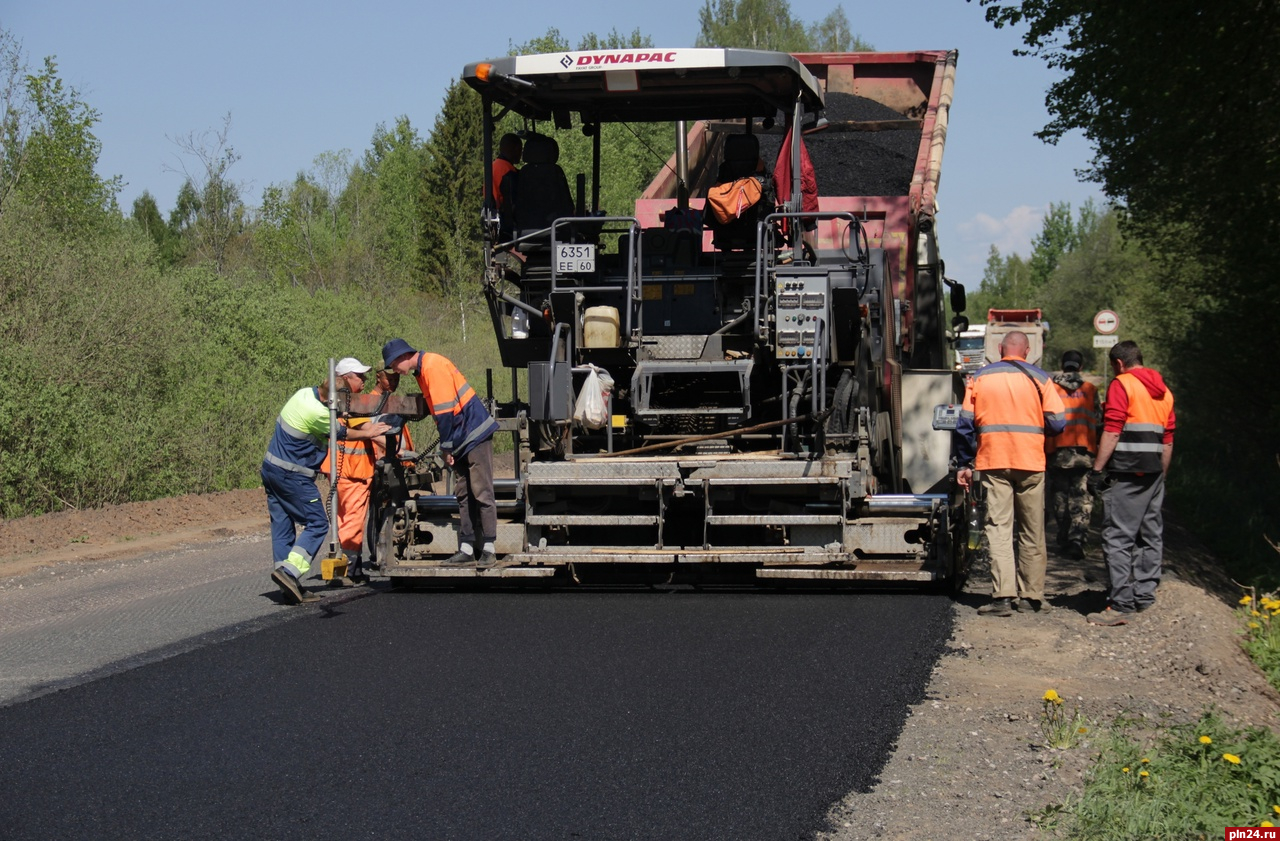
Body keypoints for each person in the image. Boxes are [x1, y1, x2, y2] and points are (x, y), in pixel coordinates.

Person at [955, 331, 1066, 617]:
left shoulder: (979, 378)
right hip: (1030, 462)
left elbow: (965, 425)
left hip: (993, 461)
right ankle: (1031, 597)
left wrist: (965, 464)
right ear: (1027, 351)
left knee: (1000, 529)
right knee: (1032, 530)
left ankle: (1003, 597)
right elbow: (1058, 423)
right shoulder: (1041, 378)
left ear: (1000, 349)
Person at [263, 358, 391, 605]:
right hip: (293, 475)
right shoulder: (318, 413)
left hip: (271, 470)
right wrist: (368, 432)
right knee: (318, 523)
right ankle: (290, 573)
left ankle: (286, 581)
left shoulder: (303, 395)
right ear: (337, 394)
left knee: (282, 525)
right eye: (358, 377)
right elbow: (340, 432)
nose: (363, 382)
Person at [383, 338, 500, 566]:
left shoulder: (432, 367)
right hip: (463, 436)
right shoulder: (424, 370)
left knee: (482, 492)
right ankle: (467, 548)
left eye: (393, 364)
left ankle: (489, 548)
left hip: (473, 433)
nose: (394, 370)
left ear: (402, 357)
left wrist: (446, 448)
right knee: (464, 494)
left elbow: (445, 412)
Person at [1086, 340, 1175, 626]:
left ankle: (1121, 604)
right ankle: (1145, 595)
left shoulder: (1122, 384)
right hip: (1153, 473)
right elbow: (1168, 439)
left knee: (1118, 537)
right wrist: (1162, 474)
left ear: (1119, 363)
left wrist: (1097, 470)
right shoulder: (1164, 391)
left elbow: (1112, 430)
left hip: (1127, 471)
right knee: (1150, 534)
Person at [319, 367, 413, 587]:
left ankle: (349, 566)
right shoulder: (356, 406)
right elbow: (374, 434)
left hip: (345, 471)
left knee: (345, 520)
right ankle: (347, 571)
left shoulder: (344, 405)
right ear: (345, 378)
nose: (363, 380)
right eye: (359, 376)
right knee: (352, 521)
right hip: (354, 471)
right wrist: (400, 450)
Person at [1046, 349, 1101, 560]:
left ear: (1063, 365)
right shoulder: (1090, 389)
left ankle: (1063, 537)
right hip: (1083, 453)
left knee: (1060, 495)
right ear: (1080, 367)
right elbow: (1098, 420)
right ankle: (1076, 540)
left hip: (1057, 452)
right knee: (1082, 497)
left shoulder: (1051, 389)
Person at [491, 132, 523, 207]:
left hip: (493, 213)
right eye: (520, 149)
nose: (521, 153)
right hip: (506, 215)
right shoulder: (509, 172)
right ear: (515, 149)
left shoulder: (494, 166)